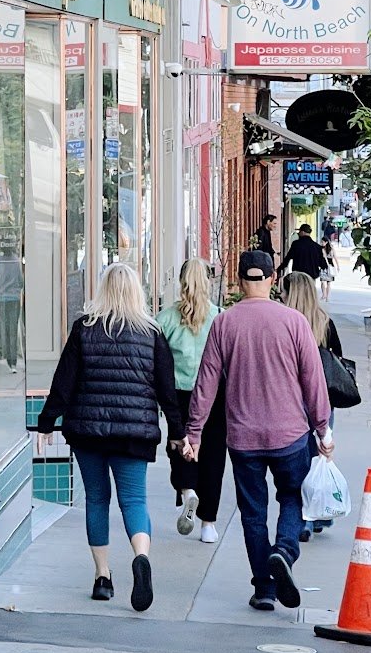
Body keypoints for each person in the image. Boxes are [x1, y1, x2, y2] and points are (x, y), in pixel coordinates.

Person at [184, 250, 331, 612]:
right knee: (292, 498)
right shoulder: (295, 322)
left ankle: (264, 588)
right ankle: (283, 550)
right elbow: (313, 381)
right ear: (271, 280)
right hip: (290, 435)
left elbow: (206, 384)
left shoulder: (224, 323)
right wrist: (323, 428)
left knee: (252, 512)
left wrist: (195, 434)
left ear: (238, 281)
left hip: (244, 438)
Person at [36, 262, 183, 612]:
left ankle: (102, 577)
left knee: (97, 500)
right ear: (136, 292)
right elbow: (167, 389)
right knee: (134, 501)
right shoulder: (152, 333)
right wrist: (179, 432)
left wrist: (46, 422)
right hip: (134, 433)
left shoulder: (84, 329)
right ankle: (141, 556)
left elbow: (63, 382)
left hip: (88, 433)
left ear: (102, 290)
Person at [158, 259, 225, 543]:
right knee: (212, 455)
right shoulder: (220, 317)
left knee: (180, 445)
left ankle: (188, 491)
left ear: (181, 280)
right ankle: (208, 524)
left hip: (179, 394)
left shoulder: (166, 318)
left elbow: (158, 362)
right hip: (213, 395)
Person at [281, 270, 343, 540]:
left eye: (282, 292)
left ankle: (305, 520)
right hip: (322, 400)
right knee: (321, 457)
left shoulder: (283, 324)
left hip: (292, 401)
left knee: (299, 463)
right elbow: (338, 358)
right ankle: (319, 516)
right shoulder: (324, 323)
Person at [319, 233, 338, 302]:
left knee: (323, 281)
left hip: (325, 267)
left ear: (326, 242)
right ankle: (326, 296)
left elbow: (325, 258)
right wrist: (337, 266)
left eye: (322, 242)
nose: (321, 243)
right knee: (328, 282)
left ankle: (324, 295)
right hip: (331, 266)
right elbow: (335, 257)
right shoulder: (332, 249)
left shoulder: (322, 249)